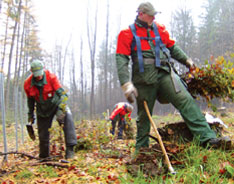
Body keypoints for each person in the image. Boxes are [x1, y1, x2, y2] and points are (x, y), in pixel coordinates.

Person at [115, 2, 231, 151]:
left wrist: (187, 60)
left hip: (165, 74)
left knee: (186, 101)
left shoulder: (159, 29)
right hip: (143, 80)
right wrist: (126, 84)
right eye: (150, 15)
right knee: (144, 117)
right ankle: (142, 151)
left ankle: (207, 139)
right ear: (141, 14)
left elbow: (172, 47)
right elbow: (121, 59)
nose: (153, 18)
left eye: (154, 15)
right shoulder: (127, 33)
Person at [24, 60, 77, 159]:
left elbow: (60, 91)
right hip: (42, 109)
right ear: (32, 72)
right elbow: (30, 101)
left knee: (67, 117)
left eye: (40, 74)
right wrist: (30, 115)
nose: (39, 77)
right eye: (36, 75)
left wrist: (63, 105)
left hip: (56, 104)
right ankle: (44, 156)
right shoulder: (28, 84)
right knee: (43, 133)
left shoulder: (51, 77)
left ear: (43, 70)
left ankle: (70, 150)